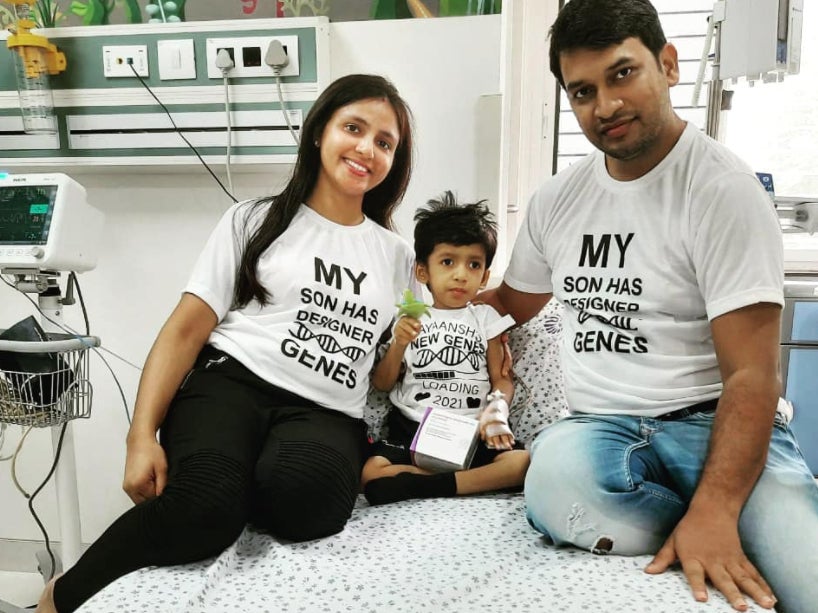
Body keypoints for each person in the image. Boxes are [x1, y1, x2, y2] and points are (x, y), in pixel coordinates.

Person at [480, 2, 818, 612]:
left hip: (712, 420)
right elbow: (510, 303)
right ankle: (705, 527)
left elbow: (751, 374)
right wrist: (425, 307)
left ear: (668, 64)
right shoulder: (558, 200)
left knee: (811, 578)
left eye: (621, 74)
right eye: (582, 91)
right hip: (599, 429)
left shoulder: (723, 191)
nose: (604, 105)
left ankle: (721, 521)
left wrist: (719, 505)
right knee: (556, 487)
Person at [36, 73, 417, 613]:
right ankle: (60, 597)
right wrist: (140, 436)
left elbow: (395, 358)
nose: (366, 149)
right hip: (231, 385)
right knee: (202, 512)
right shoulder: (253, 220)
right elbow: (187, 328)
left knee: (308, 509)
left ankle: (244, 474)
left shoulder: (398, 256)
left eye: (385, 143)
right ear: (318, 133)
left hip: (327, 411)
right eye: (353, 128)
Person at [362, 192, 529, 506]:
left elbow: (501, 379)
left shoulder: (485, 319)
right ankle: (459, 483)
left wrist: (496, 411)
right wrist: (399, 343)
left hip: (473, 432)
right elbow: (383, 383)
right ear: (423, 271)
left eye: (474, 264)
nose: (460, 274)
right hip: (414, 428)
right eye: (448, 261)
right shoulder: (407, 316)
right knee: (371, 470)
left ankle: (421, 486)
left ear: (484, 277)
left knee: (521, 464)